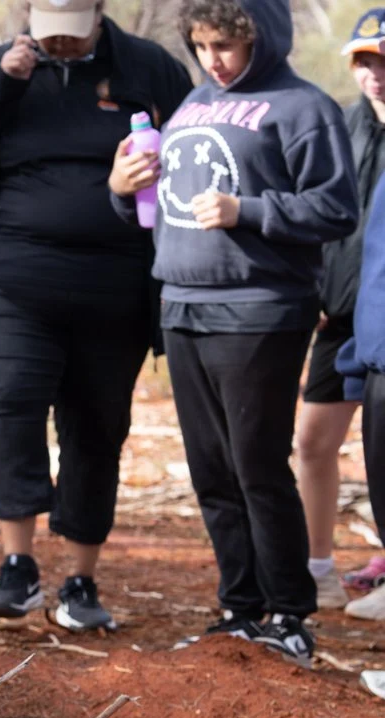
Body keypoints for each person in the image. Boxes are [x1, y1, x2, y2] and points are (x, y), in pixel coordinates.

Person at [0, 0, 192, 632]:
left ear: (99, 15)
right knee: (15, 408)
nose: (62, 48)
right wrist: (2, 83)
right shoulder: (3, 68)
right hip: (14, 286)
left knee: (97, 426)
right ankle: (16, 568)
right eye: (51, 36)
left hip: (117, 286)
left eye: (73, 36)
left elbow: (198, 146)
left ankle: (81, 579)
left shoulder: (147, 68)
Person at [110, 0, 359, 666]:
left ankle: (291, 615)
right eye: (201, 46)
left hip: (261, 306)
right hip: (183, 302)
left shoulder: (303, 107)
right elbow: (162, 207)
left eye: (225, 45)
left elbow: (336, 207)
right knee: (212, 470)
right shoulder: (192, 105)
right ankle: (240, 608)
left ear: (261, 38)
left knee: (256, 463)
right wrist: (121, 186)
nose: (213, 59)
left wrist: (245, 209)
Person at [303, 15, 385, 618]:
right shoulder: (338, 126)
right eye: (365, 61)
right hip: (339, 319)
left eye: (384, 61)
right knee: (314, 441)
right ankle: (318, 569)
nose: (374, 75)